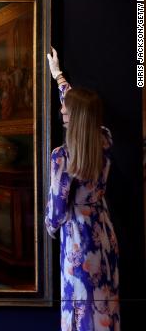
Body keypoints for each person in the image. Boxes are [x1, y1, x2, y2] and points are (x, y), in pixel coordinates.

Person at [45, 48, 120, 331]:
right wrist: (58, 76)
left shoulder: (61, 157)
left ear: (75, 116)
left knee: (78, 310)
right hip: (103, 231)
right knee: (104, 308)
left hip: (77, 237)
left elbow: (55, 211)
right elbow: (83, 110)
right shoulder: (104, 141)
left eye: (67, 108)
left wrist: (51, 228)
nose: (62, 109)